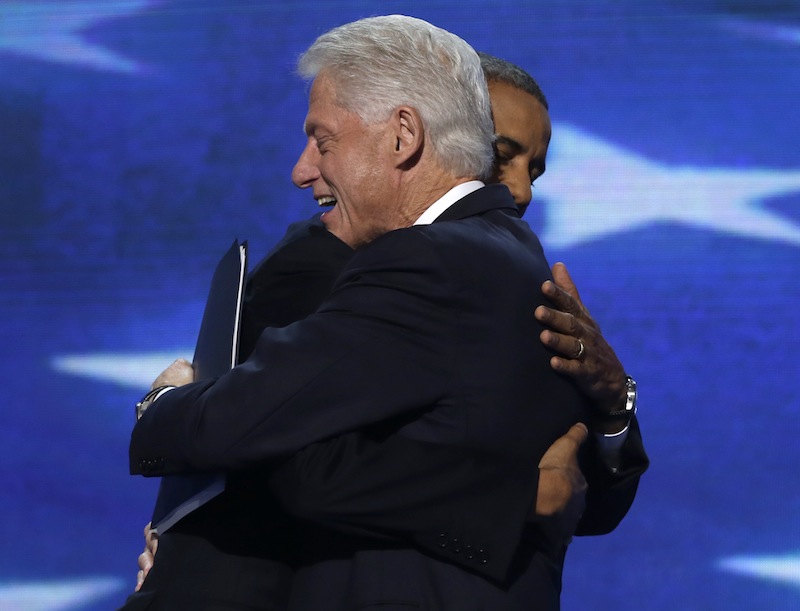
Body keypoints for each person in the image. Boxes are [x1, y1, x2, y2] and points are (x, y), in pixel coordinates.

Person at [123, 20, 646, 610]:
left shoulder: (432, 262)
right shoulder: (497, 269)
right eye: (501, 155)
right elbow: (284, 457)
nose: (519, 190)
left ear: (405, 135)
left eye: (325, 141)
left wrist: (162, 403)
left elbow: (262, 445)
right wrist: (519, 493)